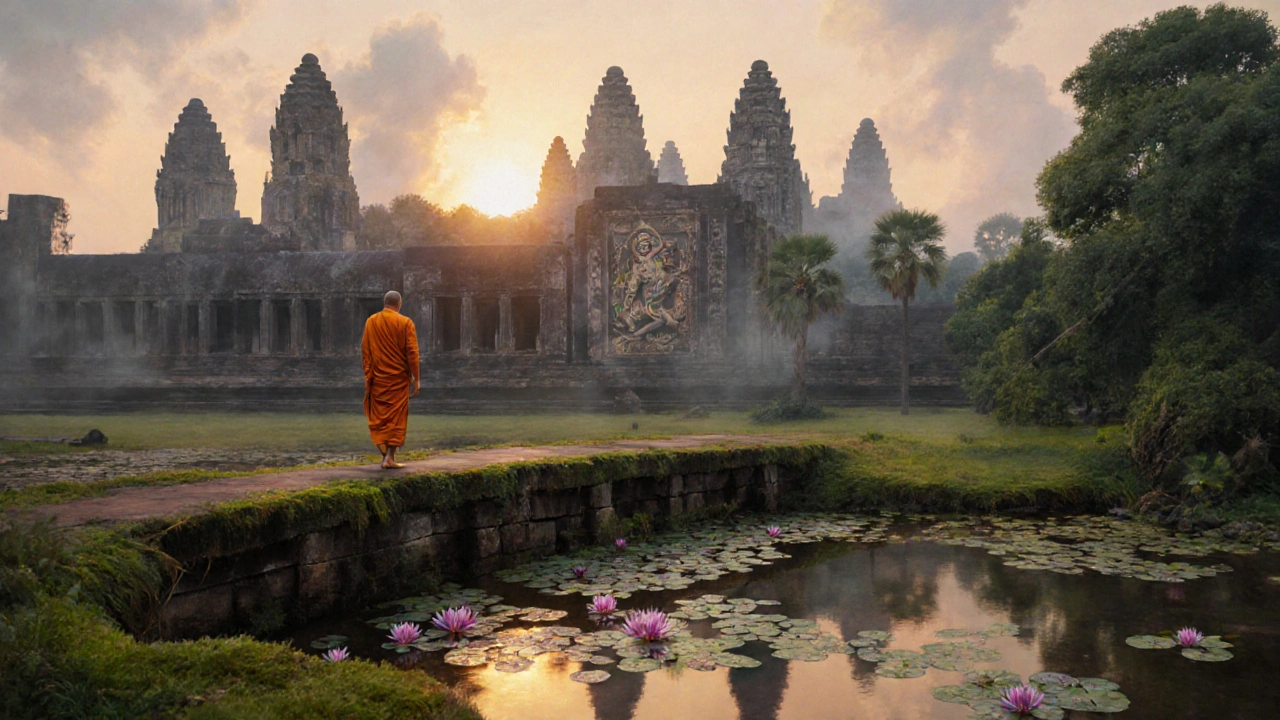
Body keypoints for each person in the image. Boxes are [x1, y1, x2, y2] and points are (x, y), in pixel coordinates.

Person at [361, 290, 420, 469]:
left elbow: (365, 350)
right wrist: (416, 378)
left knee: (380, 418)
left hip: (378, 379)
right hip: (398, 379)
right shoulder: (405, 323)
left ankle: (385, 456)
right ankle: (389, 457)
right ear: (399, 304)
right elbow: (412, 352)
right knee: (396, 418)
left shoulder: (371, 322)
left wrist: (369, 374)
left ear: (385, 303)